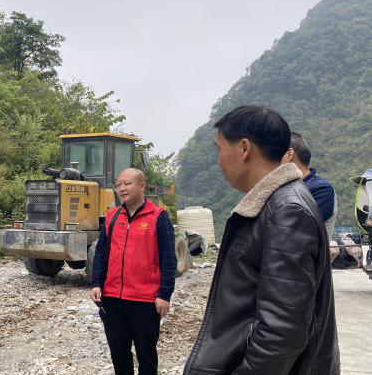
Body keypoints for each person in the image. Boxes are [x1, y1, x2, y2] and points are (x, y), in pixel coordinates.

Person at [184, 105, 339, 375]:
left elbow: (281, 333)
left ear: (244, 148)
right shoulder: (278, 203)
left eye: (219, 149)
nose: (218, 161)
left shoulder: (287, 211)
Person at [90, 168, 177, 375]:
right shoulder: (112, 216)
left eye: (127, 184)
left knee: (147, 358)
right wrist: (96, 282)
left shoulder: (158, 217)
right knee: (119, 356)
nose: (122, 188)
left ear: (142, 186)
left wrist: (164, 294)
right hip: (113, 299)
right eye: (119, 184)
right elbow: (101, 253)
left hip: (145, 302)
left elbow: (168, 259)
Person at [282, 132, 337, 237]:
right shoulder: (286, 187)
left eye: (274, 153)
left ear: (289, 154)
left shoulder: (322, 190)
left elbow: (290, 231)